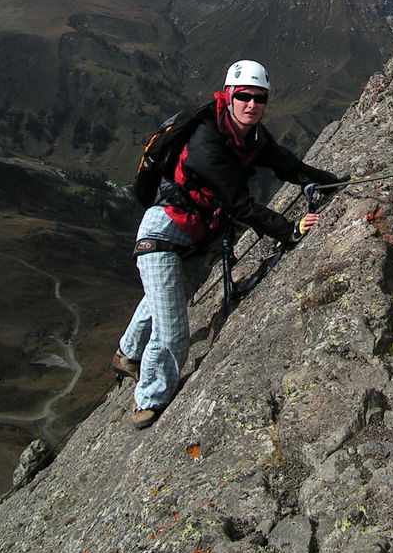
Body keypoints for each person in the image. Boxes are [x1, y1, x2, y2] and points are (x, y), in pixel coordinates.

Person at [113, 59, 340, 429]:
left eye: (259, 98)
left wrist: (328, 181)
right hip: (161, 235)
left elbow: (287, 165)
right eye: (244, 97)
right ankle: (149, 398)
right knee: (172, 331)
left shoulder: (251, 138)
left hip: (195, 235)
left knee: (164, 297)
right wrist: (289, 230)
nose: (252, 104)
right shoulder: (207, 143)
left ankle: (126, 352)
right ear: (229, 96)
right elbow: (240, 204)